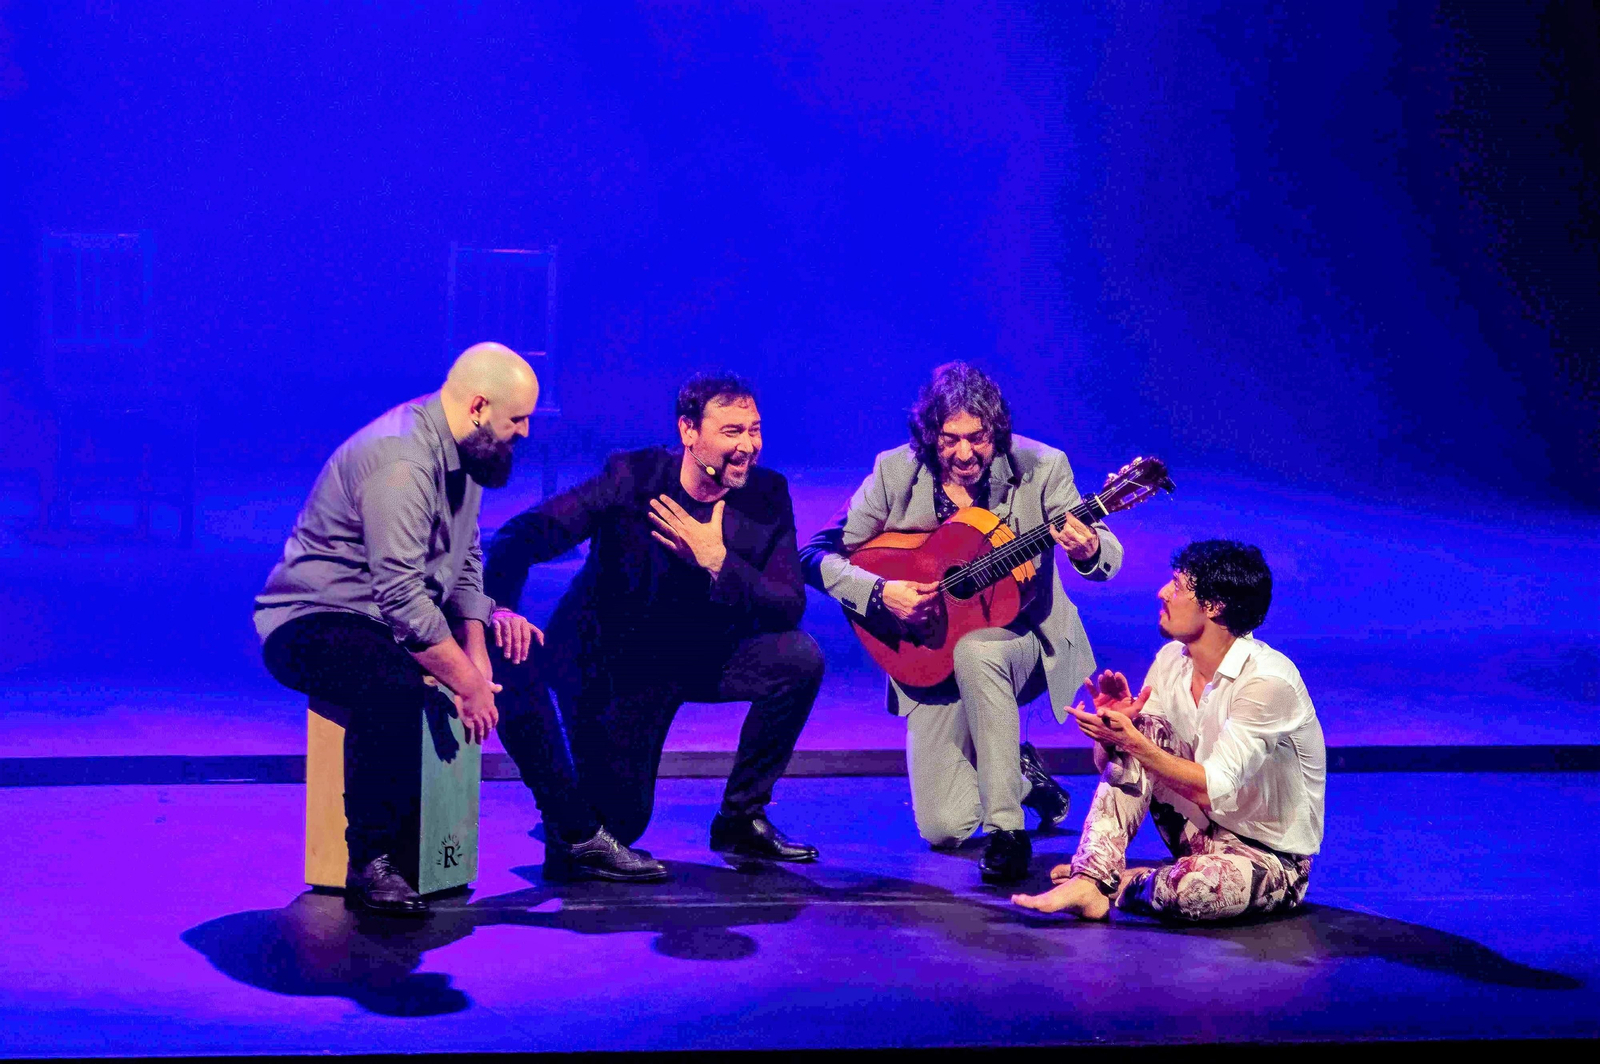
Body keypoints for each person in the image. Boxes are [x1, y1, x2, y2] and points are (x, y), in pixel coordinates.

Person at [255, 343, 659, 917]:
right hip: (316, 616)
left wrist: (480, 645)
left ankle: (573, 834)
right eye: (516, 419)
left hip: (394, 612)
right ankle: (372, 860)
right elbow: (400, 599)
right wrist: (467, 683)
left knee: (515, 653)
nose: (524, 433)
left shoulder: (464, 450)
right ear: (477, 407)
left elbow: (465, 560)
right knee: (391, 681)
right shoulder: (401, 462)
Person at [800, 362, 1122, 883]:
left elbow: (1107, 553)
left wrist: (1089, 549)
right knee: (945, 828)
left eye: (978, 438)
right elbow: (815, 555)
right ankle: (1023, 777)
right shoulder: (894, 472)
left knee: (979, 651)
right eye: (950, 440)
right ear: (929, 435)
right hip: (931, 653)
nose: (965, 454)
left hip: (1025, 642)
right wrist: (882, 593)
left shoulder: (1043, 466)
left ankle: (1006, 830)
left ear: (997, 431)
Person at [484, 373, 823, 865]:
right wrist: (500, 608)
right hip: (616, 663)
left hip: (702, 654)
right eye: (732, 432)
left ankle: (740, 818)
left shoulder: (767, 494)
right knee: (620, 822)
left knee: (800, 659)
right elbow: (524, 534)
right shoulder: (633, 479)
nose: (748, 446)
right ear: (689, 431)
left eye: (754, 430)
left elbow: (789, 604)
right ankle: (577, 805)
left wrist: (718, 562)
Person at [1012, 540, 1325, 921]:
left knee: (1197, 891)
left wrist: (1135, 743)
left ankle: (1128, 882)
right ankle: (1091, 879)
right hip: (1199, 834)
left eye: (1177, 586)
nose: (1162, 592)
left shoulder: (1267, 682)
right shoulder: (1170, 661)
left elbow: (1211, 787)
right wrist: (1114, 737)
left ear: (1214, 605)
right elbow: (1122, 767)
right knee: (1142, 729)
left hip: (1269, 858)